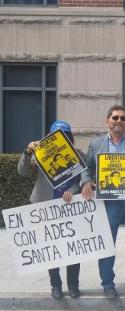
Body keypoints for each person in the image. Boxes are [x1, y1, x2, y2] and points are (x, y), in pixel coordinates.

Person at [80, 105, 125, 299]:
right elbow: (86, 168)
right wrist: (86, 181)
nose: (119, 121)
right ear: (107, 121)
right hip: (108, 203)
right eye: (115, 118)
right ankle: (108, 284)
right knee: (107, 245)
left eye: (123, 118)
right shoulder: (96, 143)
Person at [18, 121, 84, 300]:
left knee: (73, 249)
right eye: (56, 134)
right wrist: (28, 151)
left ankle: (73, 285)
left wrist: (73, 191)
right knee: (51, 249)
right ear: (50, 136)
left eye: (64, 134)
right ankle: (56, 285)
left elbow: (82, 180)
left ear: (69, 137)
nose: (60, 138)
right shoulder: (40, 154)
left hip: (70, 208)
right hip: (45, 206)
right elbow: (23, 172)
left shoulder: (78, 155)